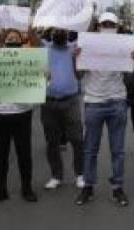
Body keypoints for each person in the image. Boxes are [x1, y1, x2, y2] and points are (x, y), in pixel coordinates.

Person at [75, 12, 134, 207]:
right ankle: (88, 186)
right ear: (98, 27)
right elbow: (78, 75)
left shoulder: (124, 45)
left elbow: (130, 74)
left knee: (118, 150)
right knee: (90, 149)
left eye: (111, 24)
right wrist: (75, 58)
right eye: (104, 24)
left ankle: (117, 187)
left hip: (117, 101)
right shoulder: (87, 45)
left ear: (117, 27)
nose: (108, 26)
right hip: (93, 102)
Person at [0, 28, 38, 204]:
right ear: (3, 41)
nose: (12, 39)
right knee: (1, 155)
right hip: (0, 114)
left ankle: (27, 187)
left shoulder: (29, 59)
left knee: (24, 154)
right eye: (9, 37)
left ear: (21, 41)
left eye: (16, 37)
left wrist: (46, 76)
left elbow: (39, 81)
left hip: (22, 113)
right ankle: (0, 189)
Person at [42, 28, 85, 190]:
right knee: (52, 141)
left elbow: (81, 75)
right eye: (56, 30)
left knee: (78, 140)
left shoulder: (75, 48)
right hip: (48, 101)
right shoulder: (43, 48)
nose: (60, 32)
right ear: (51, 33)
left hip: (71, 101)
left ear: (68, 33)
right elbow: (32, 36)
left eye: (63, 30)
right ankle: (56, 176)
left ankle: (80, 174)